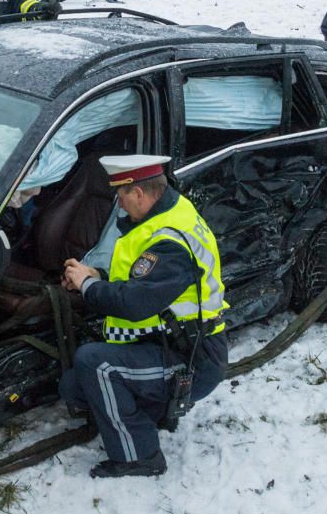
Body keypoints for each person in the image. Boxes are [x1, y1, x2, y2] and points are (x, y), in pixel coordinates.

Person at [58, 155, 229, 478]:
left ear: (138, 193)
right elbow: (143, 277)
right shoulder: (166, 215)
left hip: (193, 359)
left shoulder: (171, 242)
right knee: (74, 386)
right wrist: (100, 273)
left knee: (97, 365)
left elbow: (135, 302)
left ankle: (139, 456)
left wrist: (88, 284)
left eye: (122, 196)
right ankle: (156, 411)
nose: (120, 207)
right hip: (169, 345)